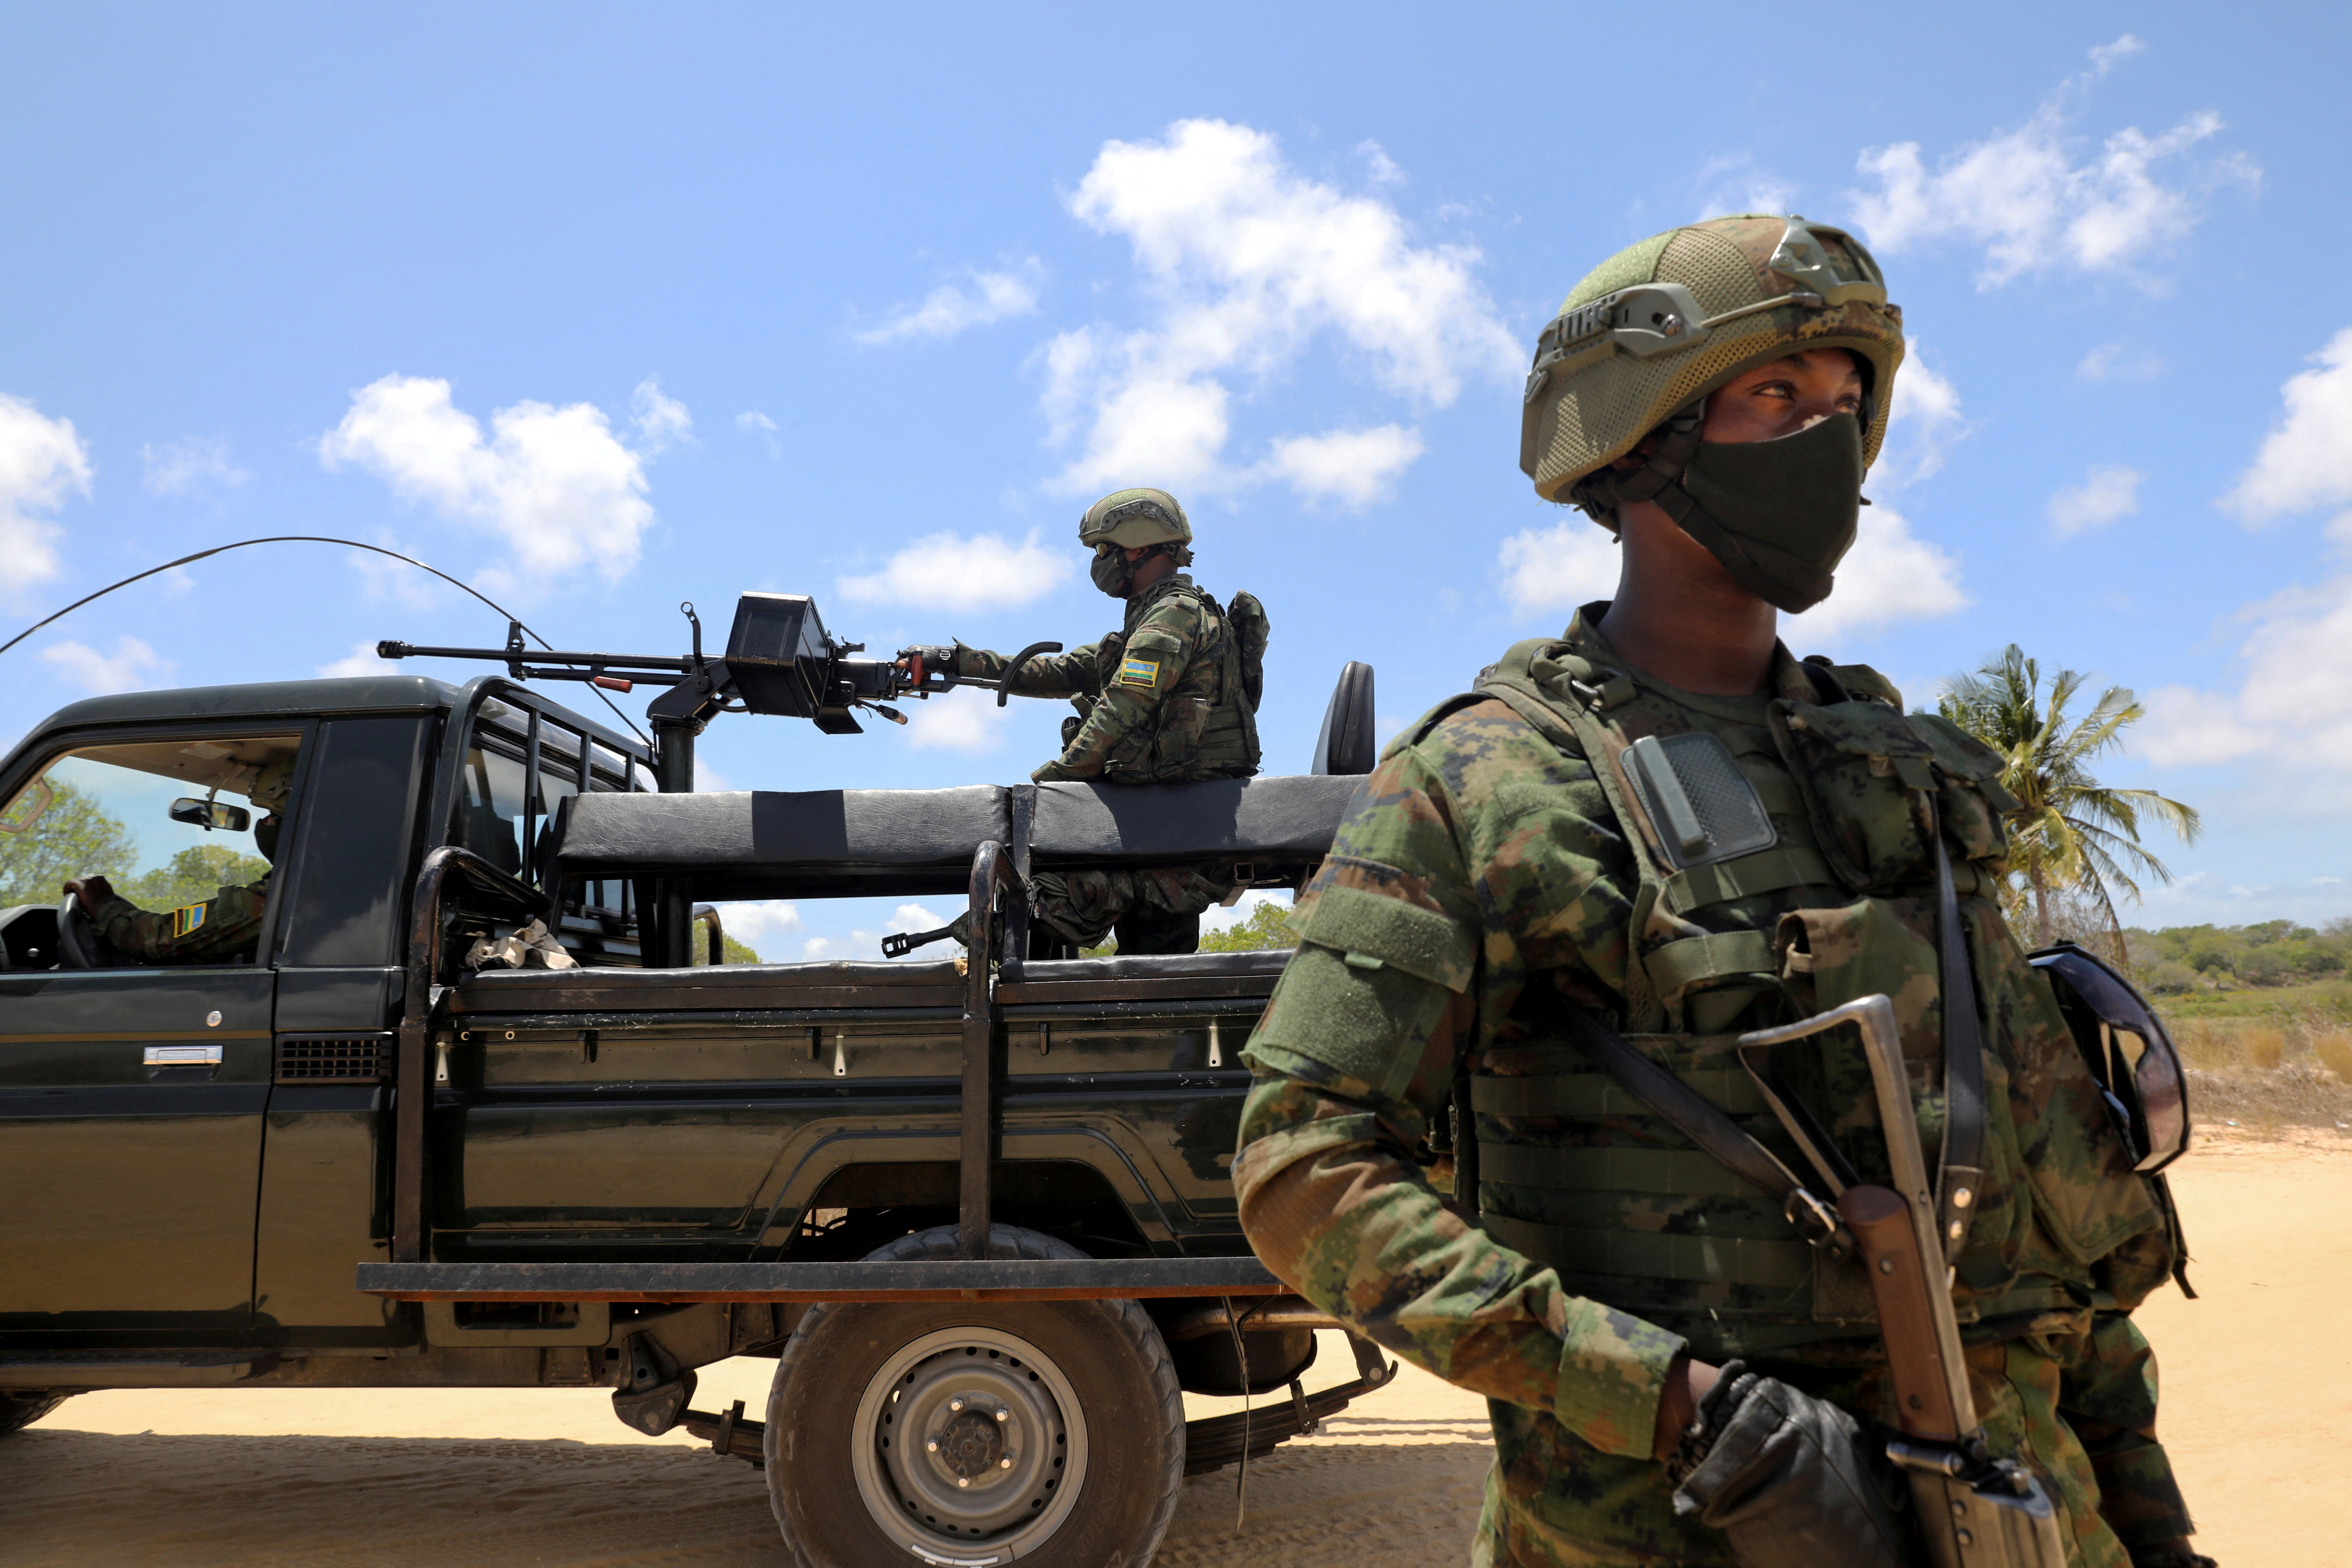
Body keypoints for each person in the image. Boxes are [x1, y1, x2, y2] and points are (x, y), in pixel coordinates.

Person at [1232, 215, 2208, 1568]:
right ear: (1643, 435)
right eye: (1777, 394)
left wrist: (2154, 1531)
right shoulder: (1493, 779)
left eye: (1846, 403)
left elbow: (2058, 1262)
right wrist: (1692, 1411)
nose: (1828, 437)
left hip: (2020, 1515)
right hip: (1675, 1529)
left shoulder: (1914, 784)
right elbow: (1302, 1165)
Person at [902, 488, 1267, 954]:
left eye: (1103, 550)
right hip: (1164, 815)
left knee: (1041, 901)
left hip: (1172, 822)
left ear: (1137, 548)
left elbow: (1121, 707)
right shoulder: (1156, 617)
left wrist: (1051, 787)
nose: (1099, 563)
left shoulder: (1172, 616)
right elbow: (1061, 670)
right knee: (1133, 951)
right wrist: (959, 662)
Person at [64, 756, 292, 965]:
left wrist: (103, 907)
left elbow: (160, 942)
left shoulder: (289, 897)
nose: (264, 823)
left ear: (295, 824)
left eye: (273, 815)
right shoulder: (311, 888)